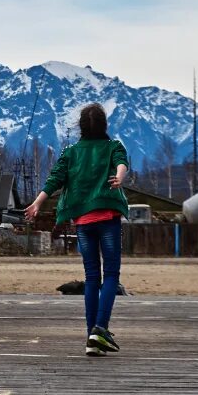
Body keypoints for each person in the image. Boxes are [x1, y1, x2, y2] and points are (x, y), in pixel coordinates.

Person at [25, 103, 129, 357]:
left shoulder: (71, 152)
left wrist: (38, 202)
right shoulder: (114, 146)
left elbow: (55, 178)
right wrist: (119, 176)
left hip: (83, 222)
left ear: (80, 127)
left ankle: (90, 337)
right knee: (111, 274)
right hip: (108, 217)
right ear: (104, 125)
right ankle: (100, 330)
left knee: (92, 277)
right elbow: (121, 163)